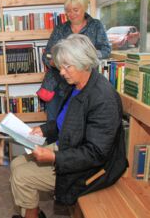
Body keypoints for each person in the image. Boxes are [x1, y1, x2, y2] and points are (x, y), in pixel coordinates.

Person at [10, 34, 128, 218]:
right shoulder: (78, 85)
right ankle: (33, 212)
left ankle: (30, 214)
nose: (62, 72)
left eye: (67, 66)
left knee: (21, 176)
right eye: (61, 66)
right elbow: (66, 122)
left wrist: (54, 157)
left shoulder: (103, 99)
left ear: (85, 63)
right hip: (69, 147)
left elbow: (96, 153)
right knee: (16, 163)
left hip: (91, 169)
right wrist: (45, 129)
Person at [37, 0, 111, 120]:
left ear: (84, 7)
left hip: (84, 84)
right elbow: (47, 56)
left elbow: (106, 50)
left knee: (77, 122)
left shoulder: (96, 25)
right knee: (54, 122)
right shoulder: (60, 29)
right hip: (58, 84)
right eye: (68, 11)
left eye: (75, 10)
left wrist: (84, 56)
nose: (71, 14)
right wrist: (56, 63)